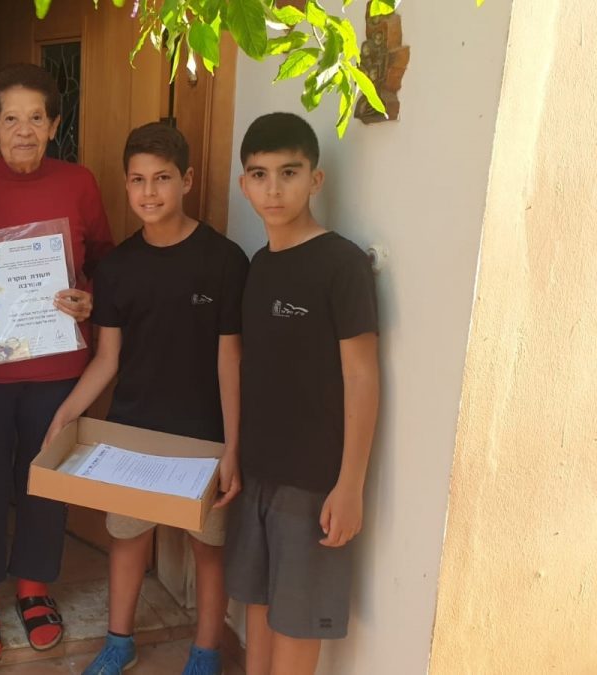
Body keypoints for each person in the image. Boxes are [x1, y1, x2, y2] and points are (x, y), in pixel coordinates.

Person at [44, 122, 248, 675]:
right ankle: (119, 642)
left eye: (162, 178)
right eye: (137, 180)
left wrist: (232, 446)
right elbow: (106, 359)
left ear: (187, 180)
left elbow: (230, 360)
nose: (149, 192)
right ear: (126, 184)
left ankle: (206, 652)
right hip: (132, 431)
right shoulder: (117, 268)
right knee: (127, 538)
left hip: (205, 436)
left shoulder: (225, 261)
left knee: (209, 547)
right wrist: (68, 412)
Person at [0, 62, 114, 660]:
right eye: (10, 119)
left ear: (54, 125)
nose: (23, 131)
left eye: (36, 118)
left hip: (58, 368)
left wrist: (91, 296)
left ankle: (35, 587)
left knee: (45, 479)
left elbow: (104, 258)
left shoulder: (79, 182)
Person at [224, 112, 380, 675]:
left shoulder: (342, 264)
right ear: (243, 184)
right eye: (259, 175)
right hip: (258, 472)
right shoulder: (259, 265)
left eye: (288, 173)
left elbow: (362, 376)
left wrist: (351, 484)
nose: (273, 189)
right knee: (258, 608)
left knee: (297, 623)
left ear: (315, 179)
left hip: (314, 482)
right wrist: (235, 454)